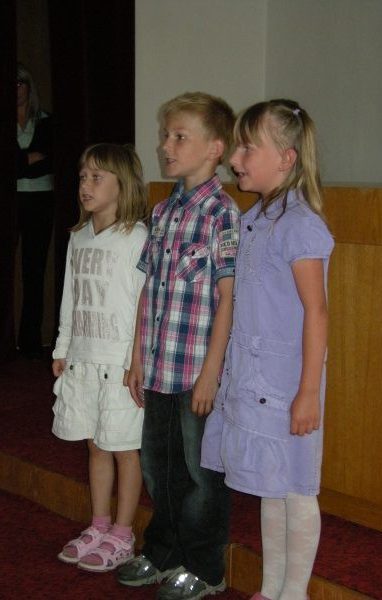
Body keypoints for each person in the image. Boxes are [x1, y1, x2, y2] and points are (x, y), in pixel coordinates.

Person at [201, 99, 334, 600]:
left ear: (286, 158)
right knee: (269, 487)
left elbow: (316, 313)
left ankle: (294, 593)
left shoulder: (299, 225)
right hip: (254, 378)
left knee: (296, 488)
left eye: (246, 148)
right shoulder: (253, 218)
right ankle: (271, 588)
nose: (235, 158)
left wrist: (308, 392)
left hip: (287, 384)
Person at [117, 92, 240, 600]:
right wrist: (136, 357)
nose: (166, 146)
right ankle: (163, 552)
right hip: (159, 367)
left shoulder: (222, 213)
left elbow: (229, 297)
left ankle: (204, 567)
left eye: (179, 137)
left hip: (195, 374)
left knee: (201, 474)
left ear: (215, 148)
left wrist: (212, 371)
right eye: (165, 135)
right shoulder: (163, 210)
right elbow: (149, 289)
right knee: (158, 466)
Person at [52, 143, 148, 572]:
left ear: (122, 185)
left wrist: (136, 361)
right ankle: (99, 524)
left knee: (124, 448)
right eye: (82, 177)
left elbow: (143, 306)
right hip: (84, 359)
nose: (85, 186)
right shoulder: (78, 237)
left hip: (120, 365)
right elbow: (70, 299)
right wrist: (62, 348)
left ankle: (123, 534)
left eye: (96, 177)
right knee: (95, 445)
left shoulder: (137, 238)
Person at [17, 63, 54, 360]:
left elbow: (50, 162)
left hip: (41, 201)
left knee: (34, 271)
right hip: (8, 201)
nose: (16, 89)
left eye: (20, 83)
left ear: (30, 87)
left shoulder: (46, 122)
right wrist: (30, 159)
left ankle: (30, 340)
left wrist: (20, 162)